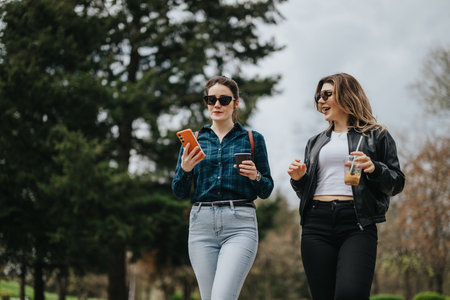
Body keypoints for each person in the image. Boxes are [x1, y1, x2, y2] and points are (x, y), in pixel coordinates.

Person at [287, 73, 405, 300]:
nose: (320, 101)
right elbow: (306, 192)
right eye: (318, 96)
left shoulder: (377, 135)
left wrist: (374, 168)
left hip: (357, 223)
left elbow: (397, 182)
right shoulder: (315, 141)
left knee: (351, 294)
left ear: (347, 95)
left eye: (327, 94)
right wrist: (299, 179)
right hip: (315, 224)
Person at [172, 75, 274, 300]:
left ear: (236, 103)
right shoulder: (195, 140)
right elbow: (179, 191)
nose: (217, 104)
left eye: (224, 100)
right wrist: (185, 170)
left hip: (239, 225)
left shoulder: (252, 139)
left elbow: (266, 190)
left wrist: (255, 175)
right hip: (201, 226)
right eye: (211, 99)